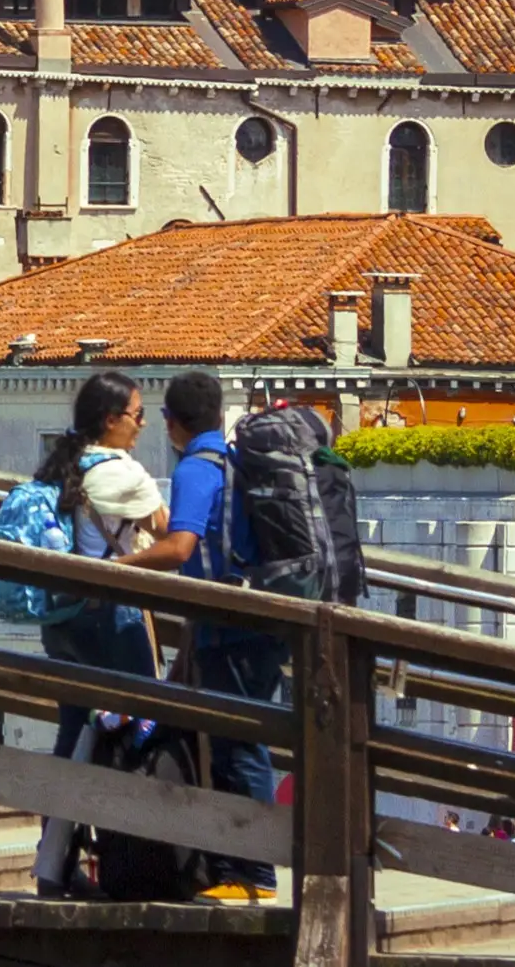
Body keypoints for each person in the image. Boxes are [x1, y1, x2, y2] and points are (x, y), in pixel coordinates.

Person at [24, 367, 187, 891]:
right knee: (140, 728)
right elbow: (170, 534)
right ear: (113, 421)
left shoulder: (61, 466)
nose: (142, 427)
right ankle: (134, 860)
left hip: (64, 616)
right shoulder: (122, 472)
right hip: (113, 616)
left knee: (74, 733)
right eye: (138, 416)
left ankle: (54, 864)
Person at [159, 371, 284, 901]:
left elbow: (180, 548)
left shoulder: (195, 469)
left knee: (241, 745)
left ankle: (254, 873)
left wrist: (120, 566)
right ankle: (239, 865)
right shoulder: (231, 461)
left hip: (228, 625)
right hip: (257, 620)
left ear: (173, 423)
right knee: (241, 741)